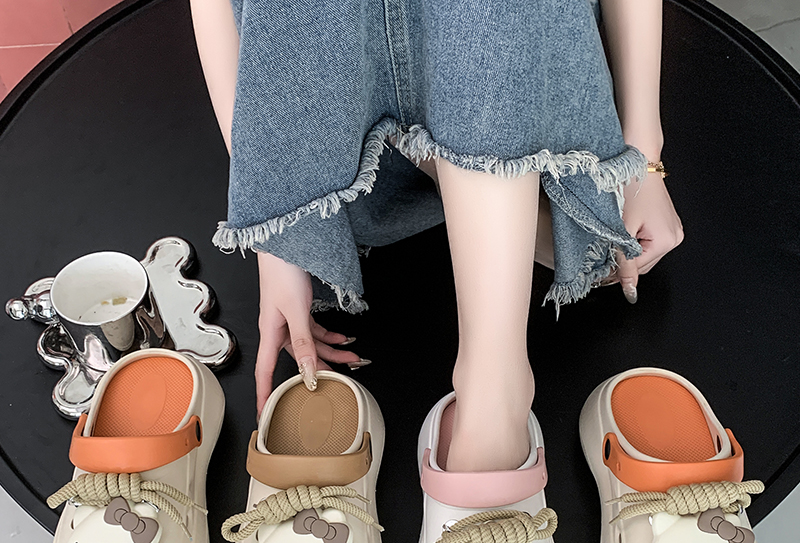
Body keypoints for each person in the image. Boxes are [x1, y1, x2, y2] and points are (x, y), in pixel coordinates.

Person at [189, 0, 683, 473]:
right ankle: (490, 228)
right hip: (345, 145)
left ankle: (495, 396)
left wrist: (645, 160)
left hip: (519, 89)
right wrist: (279, 223)